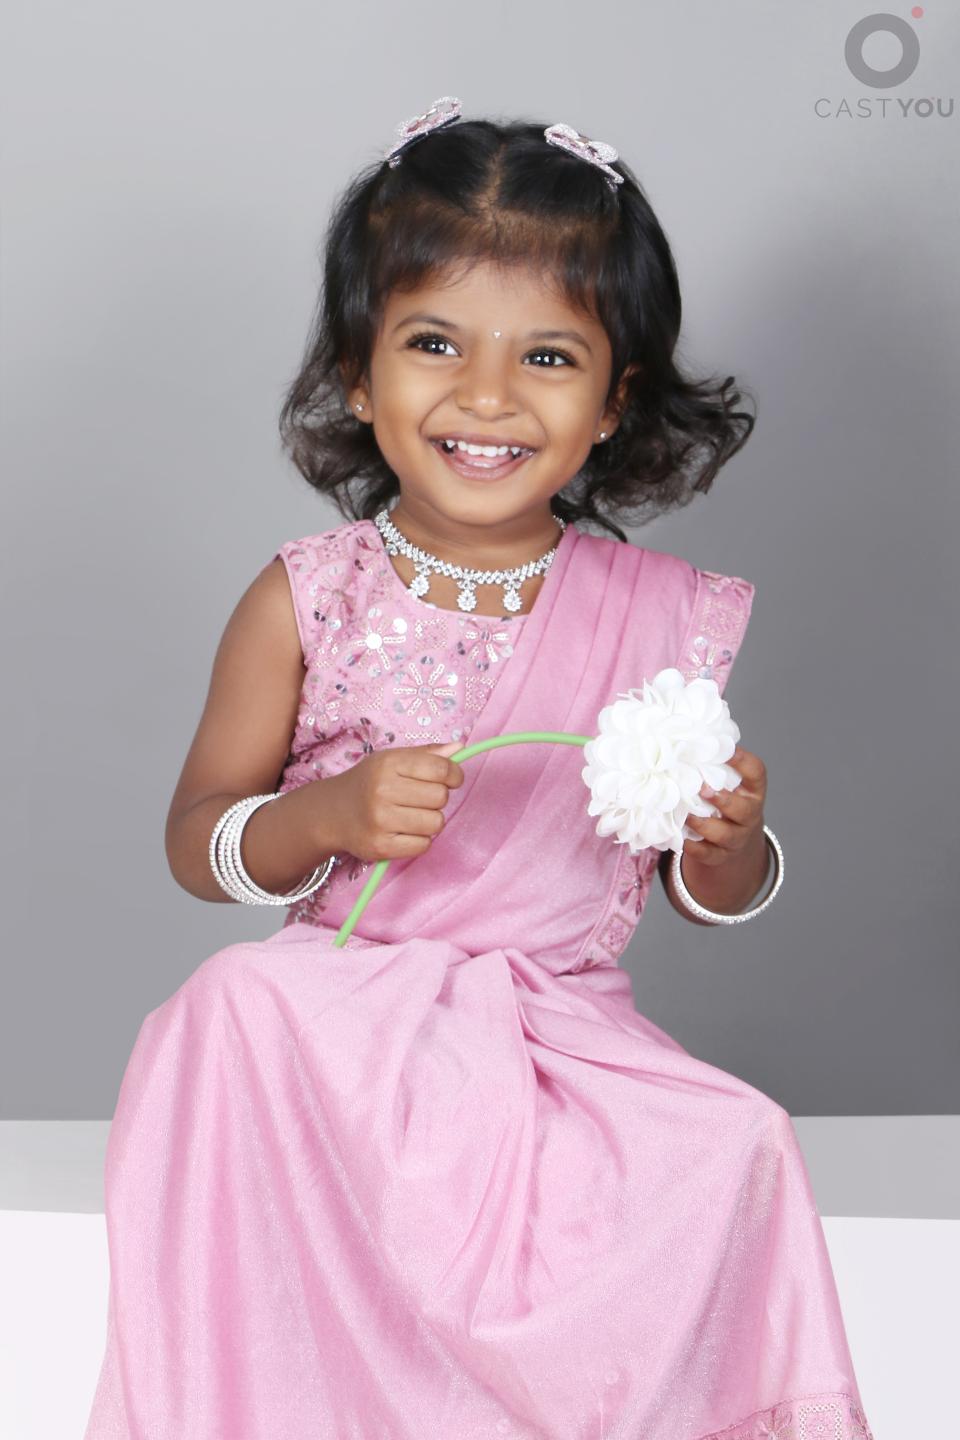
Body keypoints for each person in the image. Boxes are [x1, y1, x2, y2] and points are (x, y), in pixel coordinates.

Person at [84, 99, 874, 1439]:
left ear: (613, 401)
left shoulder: (657, 616)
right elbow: (197, 841)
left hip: (564, 1044)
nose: (489, 397)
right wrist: (324, 816)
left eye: (549, 356)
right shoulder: (307, 599)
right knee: (233, 1001)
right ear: (357, 372)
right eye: (435, 343)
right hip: (346, 1033)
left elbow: (703, 893)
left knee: (741, 1138)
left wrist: (732, 841)